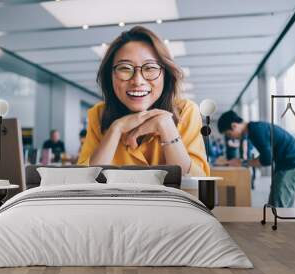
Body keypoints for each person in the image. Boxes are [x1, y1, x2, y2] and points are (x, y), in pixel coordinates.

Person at [77, 26, 209, 176]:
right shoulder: (98, 114)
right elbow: (84, 184)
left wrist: (167, 128)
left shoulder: (186, 111)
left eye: (150, 68)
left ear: (165, 74)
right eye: (125, 68)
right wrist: (116, 129)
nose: (138, 80)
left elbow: (196, 190)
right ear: (110, 76)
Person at [217, 110, 295, 207]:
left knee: (277, 209)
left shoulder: (255, 131)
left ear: (234, 126)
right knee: (281, 209)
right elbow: (266, 156)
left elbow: (266, 160)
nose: (231, 137)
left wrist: (242, 163)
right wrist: (242, 162)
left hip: (291, 166)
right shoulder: (255, 128)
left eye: (228, 134)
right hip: (289, 165)